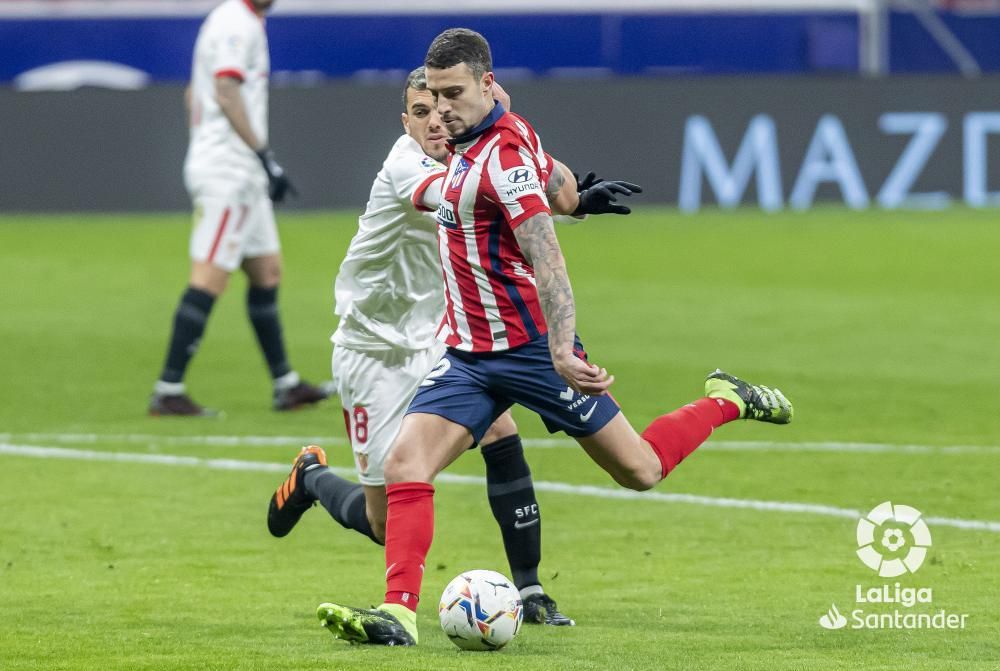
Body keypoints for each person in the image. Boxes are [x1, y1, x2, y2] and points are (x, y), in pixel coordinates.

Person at [315, 28, 794, 646]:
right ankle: (398, 614)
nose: (442, 111)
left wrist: (562, 348)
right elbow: (557, 180)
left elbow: (547, 257)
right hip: (466, 354)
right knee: (407, 462)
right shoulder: (477, 137)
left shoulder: (502, 158)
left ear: (487, 85)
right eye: (432, 97)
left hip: (530, 351)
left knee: (641, 470)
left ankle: (726, 398)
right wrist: (576, 198)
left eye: (453, 95)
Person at [265, 67, 635, 625]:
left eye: (441, 108)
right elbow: (482, 192)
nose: (435, 122)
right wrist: (561, 197)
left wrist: (575, 198)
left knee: (500, 429)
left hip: (447, 337)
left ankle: (531, 590)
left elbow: (508, 183)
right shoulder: (406, 166)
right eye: (421, 113)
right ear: (405, 121)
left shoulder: (473, 156)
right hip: (373, 351)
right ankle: (312, 478)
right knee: (382, 523)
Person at [148, 0, 331, 416]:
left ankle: (285, 384)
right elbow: (225, 90)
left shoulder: (237, 19)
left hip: (240, 169)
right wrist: (262, 155)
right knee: (209, 276)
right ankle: (168, 389)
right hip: (229, 172)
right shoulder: (236, 23)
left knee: (266, 271)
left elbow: (193, 94)